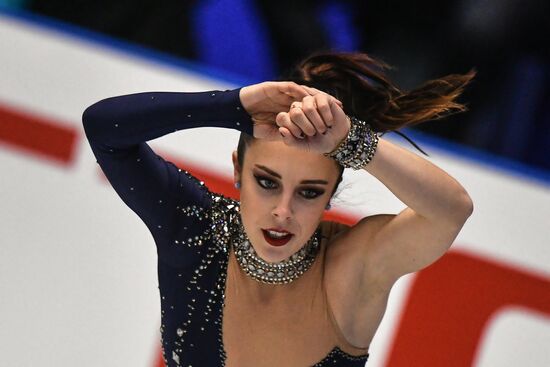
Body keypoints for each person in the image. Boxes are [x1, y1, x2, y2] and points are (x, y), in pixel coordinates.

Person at [82, 52, 475, 367]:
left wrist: (352, 142)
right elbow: (103, 128)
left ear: (331, 194)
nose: (283, 211)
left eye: (308, 192)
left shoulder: (352, 267)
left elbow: (451, 210)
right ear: (238, 169)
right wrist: (232, 106)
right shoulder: (195, 228)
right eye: (267, 182)